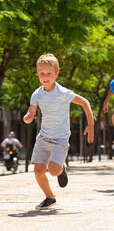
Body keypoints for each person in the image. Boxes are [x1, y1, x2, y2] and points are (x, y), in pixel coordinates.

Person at [23, 53, 94, 210]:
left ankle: (61, 168)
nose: (45, 76)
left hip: (60, 138)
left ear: (56, 74)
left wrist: (90, 125)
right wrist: (28, 117)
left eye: (49, 73)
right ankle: (50, 198)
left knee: (54, 171)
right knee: (38, 171)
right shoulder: (37, 93)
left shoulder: (63, 93)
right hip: (43, 138)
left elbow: (85, 102)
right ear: (37, 74)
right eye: (42, 73)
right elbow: (31, 111)